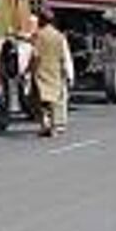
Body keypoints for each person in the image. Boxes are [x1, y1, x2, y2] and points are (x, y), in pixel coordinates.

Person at [31, 9, 73, 138]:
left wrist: (30, 69)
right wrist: (68, 74)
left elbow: (35, 55)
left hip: (42, 71)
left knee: (41, 100)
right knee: (55, 99)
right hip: (56, 72)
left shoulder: (38, 35)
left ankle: (46, 126)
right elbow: (65, 56)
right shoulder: (59, 36)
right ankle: (55, 126)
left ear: (42, 20)